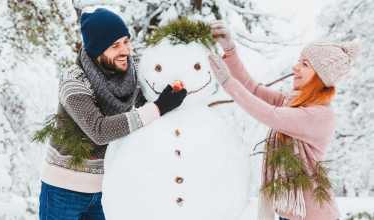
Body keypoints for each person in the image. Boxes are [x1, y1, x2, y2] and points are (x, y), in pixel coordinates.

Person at [39, 8, 187, 219]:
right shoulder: (74, 81)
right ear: (96, 50)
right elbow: (99, 130)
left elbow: (149, 104)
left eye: (126, 41)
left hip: (107, 188)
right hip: (64, 190)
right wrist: (159, 107)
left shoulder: (132, 66)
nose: (125, 50)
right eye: (115, 45)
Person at [209, 21, 360, 220]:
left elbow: (271, 115)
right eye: (299, 60)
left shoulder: (321, 115)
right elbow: (253, 89)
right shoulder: (291, 101)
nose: (295, 67)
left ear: (320, 77)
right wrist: (229, 48)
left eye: (304, 64)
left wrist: (228, 83)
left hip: (313, 215)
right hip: (290, 211)